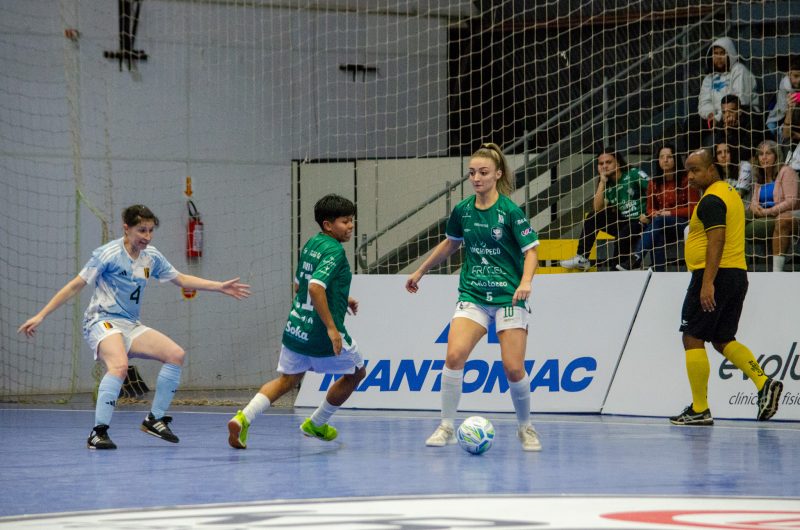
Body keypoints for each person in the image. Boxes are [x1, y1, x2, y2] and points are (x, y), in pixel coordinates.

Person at [18, 204, 251, 449]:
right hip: (101, 321)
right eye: (142, 230)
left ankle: (154, 419)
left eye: (151, 231)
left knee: (175, 355)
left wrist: (219, 286)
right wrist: (41, 315)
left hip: (129, 324)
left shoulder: (152, 256)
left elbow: (180, 279)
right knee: (119, 366)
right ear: (126, 228)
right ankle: (98, 433)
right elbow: (75, 285)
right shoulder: (107, 254)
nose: (147, 237)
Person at [405, 143, 542, 451]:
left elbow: (531, 251)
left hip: (509, 297)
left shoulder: (510, 212)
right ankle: (446, 427)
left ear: (497, 174)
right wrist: (420, 271)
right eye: (472, 173)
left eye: (483, 173)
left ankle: (526, 428)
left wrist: (526, 281)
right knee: (453, 357)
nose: (476, 178)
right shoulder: (463, 210)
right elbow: (450, 244)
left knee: (513, 368)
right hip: (473, 294)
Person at [227, 194, 365, 449]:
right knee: (357, 373)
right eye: (345, 221)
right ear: (328, 225)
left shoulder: (312, 244)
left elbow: (299, 286)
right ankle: (317, 422)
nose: (351, 226)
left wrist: (342, 298)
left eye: (351, 220)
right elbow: (314, 288)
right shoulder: (335, 251)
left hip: (296, 327)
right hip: (320, 333)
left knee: (287, 380)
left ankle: (243, 417)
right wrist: (332, 329)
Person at [669, 148, 783, 426]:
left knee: (692, 337)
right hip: (736, 275)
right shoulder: (731, 194)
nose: (690, 177)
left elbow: (716, 239)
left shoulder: (711, 200)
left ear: (711, 170)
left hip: (715, 276)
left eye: (695, 170)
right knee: (722, 339)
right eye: (688, 171)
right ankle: (763, 382)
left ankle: (700, 408)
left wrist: (707, 282)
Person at [560, 148, 649, 271]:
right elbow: (597, 208)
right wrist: (602, 182)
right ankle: (582, 258)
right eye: (601, 164)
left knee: (623, 233)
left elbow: (654, 190)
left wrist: (649, 214)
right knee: (593, 216)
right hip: (624, 221)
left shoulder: (633, 174)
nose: (604, 166)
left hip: (642, 220)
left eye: (608, 162)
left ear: (617, 163)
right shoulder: (607, 185)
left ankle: (617, 268)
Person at [629, 143, 700, 271]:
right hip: (661, 224)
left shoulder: (686, 179)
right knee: (657, 233)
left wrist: (668, 213)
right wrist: (654, 213)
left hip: (684, 223)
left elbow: (694, 208)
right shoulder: (653, 182)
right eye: (662, 157)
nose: (665, 160)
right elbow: (649, 209)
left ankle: (637, 257)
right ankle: (658, 272)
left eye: (669, 157)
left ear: (675, 159)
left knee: (658, 222)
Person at [691, 37, 759, 150]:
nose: (718, 57)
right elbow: (704, 102)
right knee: (691, 124)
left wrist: (718, 118)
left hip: (742, 112)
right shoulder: (709, 78)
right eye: (715, 53)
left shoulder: (739, 69)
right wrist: (710, 115)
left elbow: (740, 100)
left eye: (722, 53)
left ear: (730, 54)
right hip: (717, 116)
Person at [745, 140, 799, 272]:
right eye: (761, 154)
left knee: (743, 230)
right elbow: (753, 201)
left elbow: (791, 201)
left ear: (776, 155)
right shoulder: (760, 177)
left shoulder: (786, 171)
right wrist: (754, 207)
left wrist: (767, 211)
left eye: (768, 153)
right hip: (761, 214)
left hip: (777, 215)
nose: (763, 157)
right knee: (740, 213)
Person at [766, 55, 800, 143]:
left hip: (796, 121)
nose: (799, 80)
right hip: (782, 117)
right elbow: (783, 109)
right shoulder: (785, 85)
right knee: (772, 128)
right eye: (796, 76)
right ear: (789, 74)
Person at [715, 137, 752, 203]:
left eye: (727, 151)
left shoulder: (744, 166)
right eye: (719, 153)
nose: (723, 155)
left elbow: (738, 194)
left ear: (733, 152)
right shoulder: (716, 174)